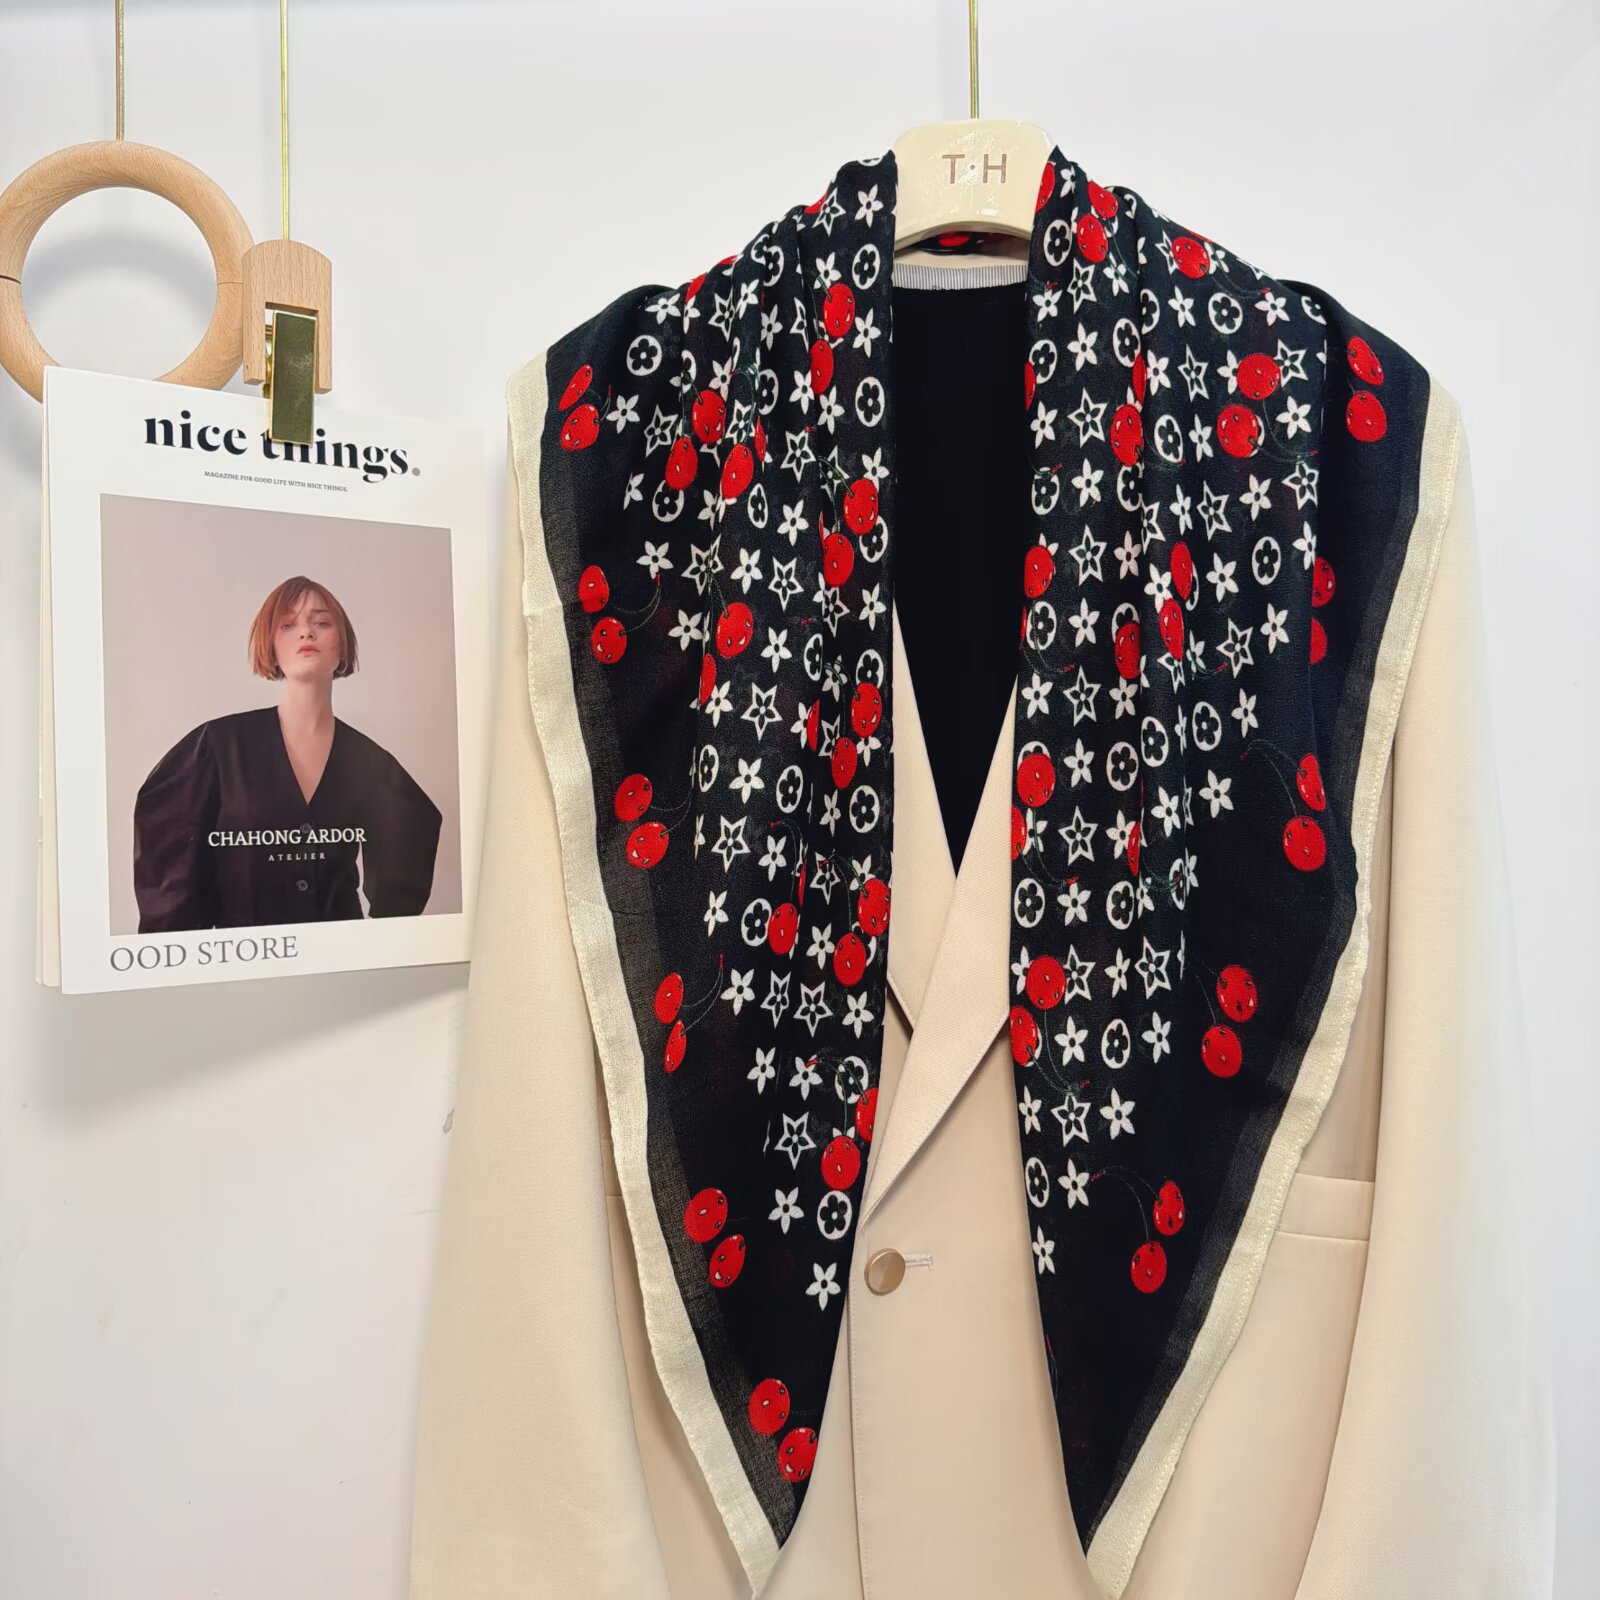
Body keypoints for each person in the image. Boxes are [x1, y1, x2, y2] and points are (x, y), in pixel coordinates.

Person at [132, 574, 443, 932]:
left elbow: (411, 838)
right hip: (245, 958)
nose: (306, 632)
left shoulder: (369, 762)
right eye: (288, 625)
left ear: (342, 645)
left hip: (340, 956)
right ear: (272, 646)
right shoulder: (218, 748)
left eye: (322, 623)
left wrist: (383, 938)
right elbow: (169, 859)